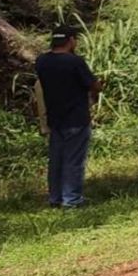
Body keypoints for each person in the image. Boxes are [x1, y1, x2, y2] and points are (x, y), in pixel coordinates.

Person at [36, 26, 102, 208]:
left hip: (54, 118)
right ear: (71, 40)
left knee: (56, 160)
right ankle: (71, 199)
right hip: (76, 118)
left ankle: (55, 198)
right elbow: (94, 85)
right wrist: (97, 86)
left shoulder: (42, 61)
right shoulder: (75, 62)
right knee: (73, 160)